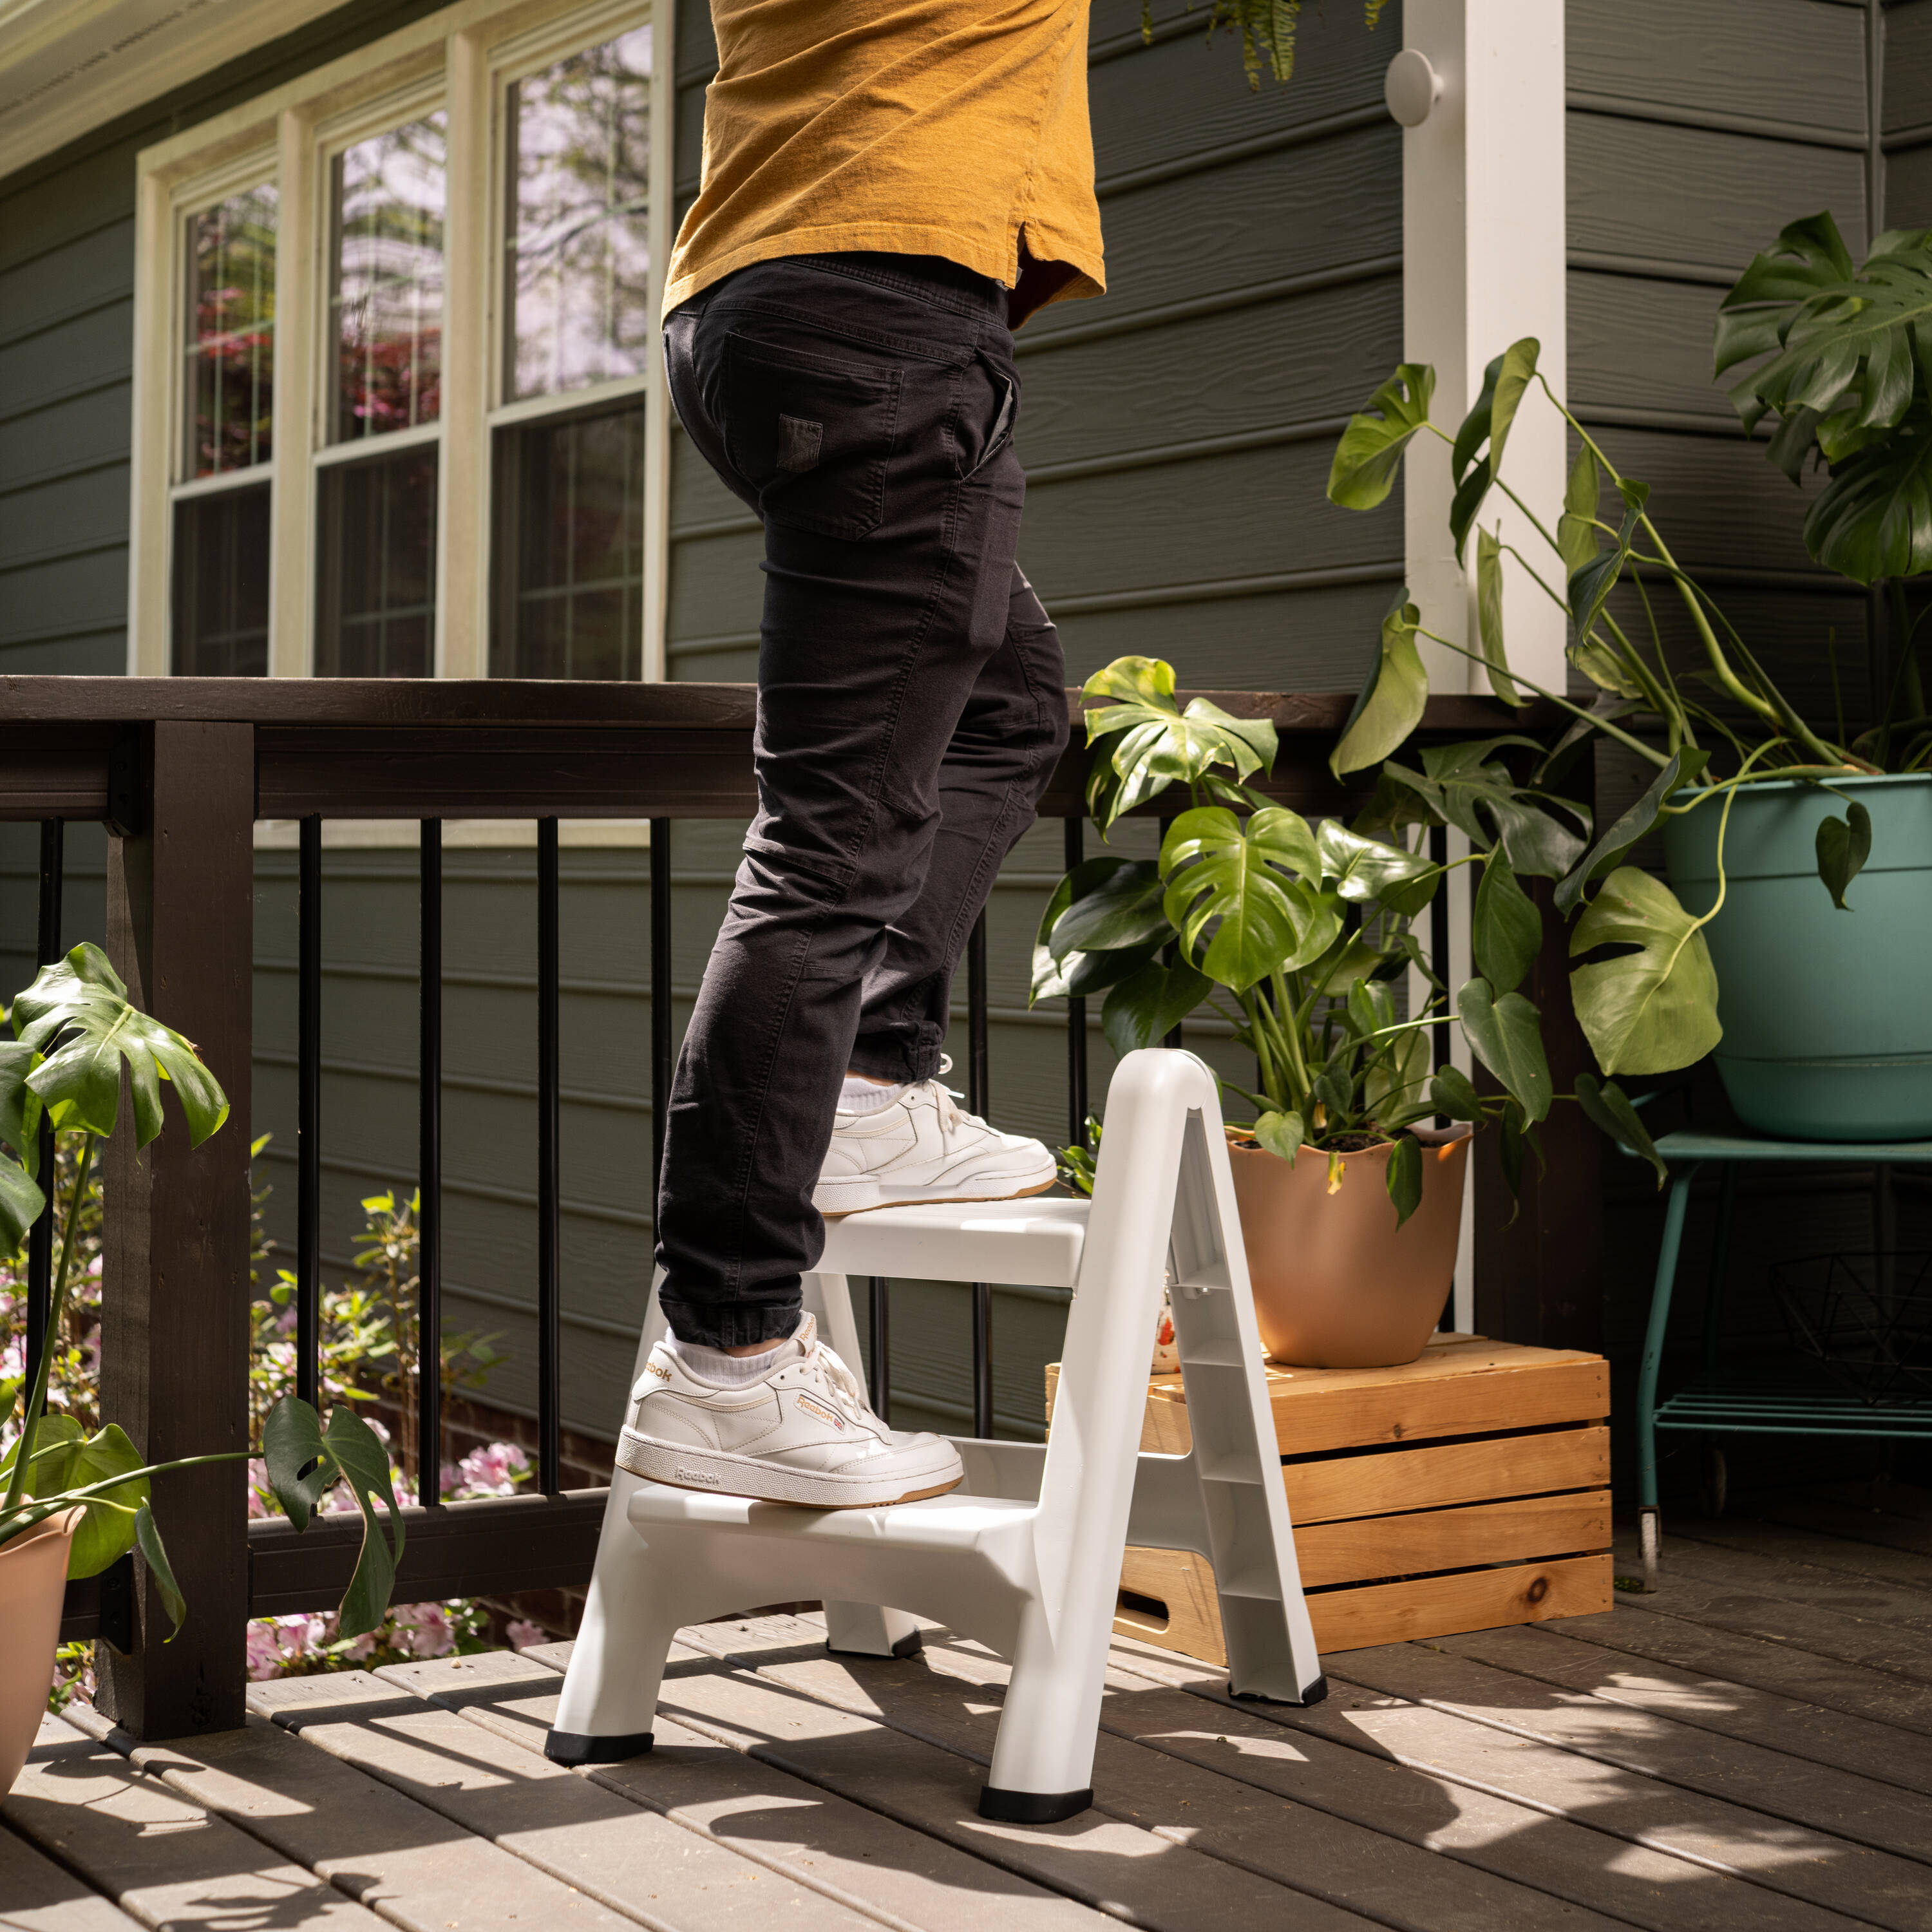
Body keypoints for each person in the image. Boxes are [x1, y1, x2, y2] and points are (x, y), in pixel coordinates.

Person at [615, 0, 1104, 1508]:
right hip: (883, 302)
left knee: (1013, 703)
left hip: (759, 296)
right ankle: (731, 1352)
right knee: (829, 840)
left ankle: (873, 1089)